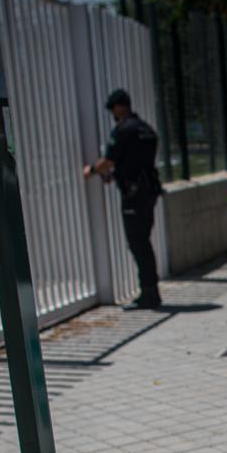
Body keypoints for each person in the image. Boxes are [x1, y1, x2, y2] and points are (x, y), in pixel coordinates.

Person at [83, 88, 161, 310]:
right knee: (143, 241)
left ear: (118, 107)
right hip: (149, 189)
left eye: (112, 110)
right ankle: (150, 290)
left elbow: (108, 160)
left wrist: (91, 170)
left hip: (135, 193)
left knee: (138, 243)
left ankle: (149, 293)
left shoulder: (124, 130)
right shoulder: (145, 128)